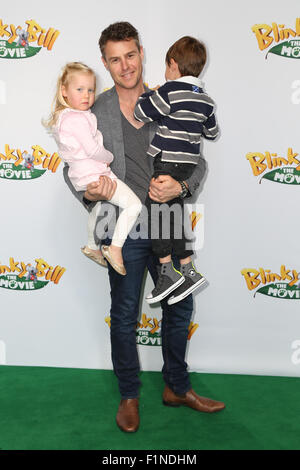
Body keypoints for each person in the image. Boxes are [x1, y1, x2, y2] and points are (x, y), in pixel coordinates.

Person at [63, 22, 225, 433]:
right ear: (105, 63)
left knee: (181, 305)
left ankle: (177, 387)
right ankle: (129, 396)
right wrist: (91, 192)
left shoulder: (169, 98)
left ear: (142, 54)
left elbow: (198, 159)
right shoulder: (94, 108)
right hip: (123, 231)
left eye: (130, 55)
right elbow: (72, 168)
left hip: (170, 222)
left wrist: (182, 184)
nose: (125, 65)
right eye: (115, 59)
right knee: (123, 315)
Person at [134, 36, 219, 305]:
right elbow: (212, 132)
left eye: (166, 66)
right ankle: (189, 269)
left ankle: (167, 270)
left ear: (173, 64)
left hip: (165, 162)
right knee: (175, 216)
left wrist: (150, 93)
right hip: (187, 166)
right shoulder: (206, 100)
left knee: (156, 216)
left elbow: (140, 111)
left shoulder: (168, 92)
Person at [45, 62, 142, 275]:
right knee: (134, 205)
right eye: (79, 89)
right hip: (96, 173)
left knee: (99, 208)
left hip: (84, 176)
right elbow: (92, 149)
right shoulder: (76, 118)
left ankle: (91, 245)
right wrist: (109, 157)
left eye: (90, 89)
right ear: (64, 91)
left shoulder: (65, 117)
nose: (87, 95)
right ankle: (114, 248)